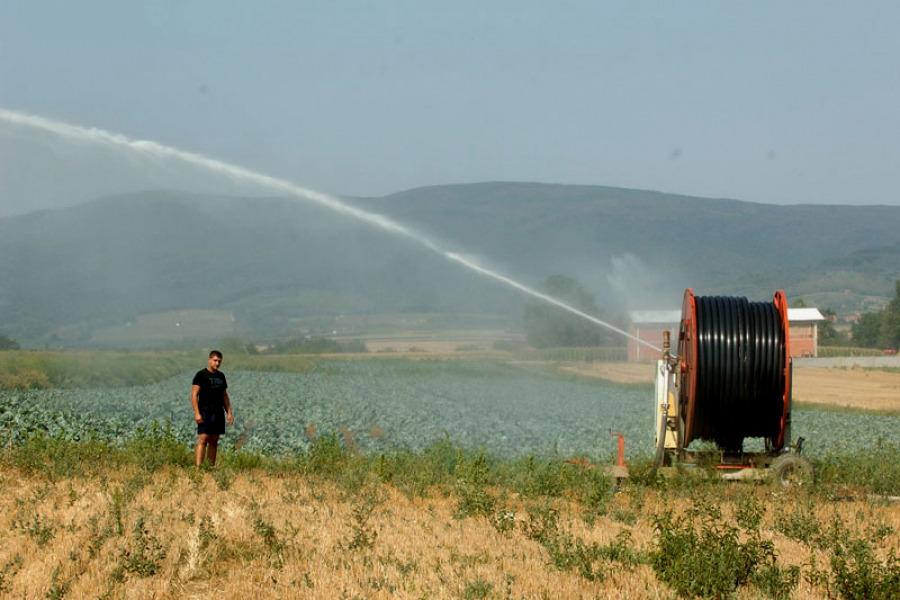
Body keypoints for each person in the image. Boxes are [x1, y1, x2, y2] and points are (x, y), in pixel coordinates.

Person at [190, 350, 234, 467]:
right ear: (209, 360)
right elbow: (194, 395)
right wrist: (197, 413)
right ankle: (199, 468)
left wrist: (229, 412)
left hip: (218, 412)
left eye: (219, 361)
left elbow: (224, 395)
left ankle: (210, 467)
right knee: (203, 439)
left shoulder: (221, 376)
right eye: (215, 360)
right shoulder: (201, 375)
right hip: (205, 411)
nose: (217, 363)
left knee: (214, 440)